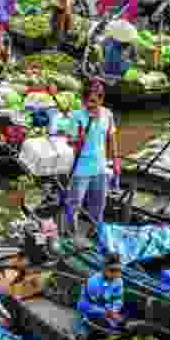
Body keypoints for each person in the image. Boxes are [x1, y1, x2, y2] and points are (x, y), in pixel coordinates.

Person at [66, 77, 117, 246]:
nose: (93, 105)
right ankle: (71, 234)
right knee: (75, 204)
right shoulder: (77, 116)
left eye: (97, 101)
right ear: (84, 101)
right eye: (90, 102)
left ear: (101, 99)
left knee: (99, 204)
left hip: (100, 167)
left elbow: (111, 138)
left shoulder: (108, 115)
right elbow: (70, 142)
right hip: (81, 168)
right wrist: (78, 140)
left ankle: (94, 232)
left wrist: (115, 161)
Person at [75, 252, 125, 339]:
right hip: (89, 310)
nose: (116, 274)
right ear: (104, 268)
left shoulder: (119, 281)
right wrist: (106, 313)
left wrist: (114, 310)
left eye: (119, 271)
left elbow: (118, 299)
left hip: (107, 312)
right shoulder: (93, 282)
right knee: (83, 332)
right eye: (112, 270)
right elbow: (85, 305)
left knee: (117, 328)